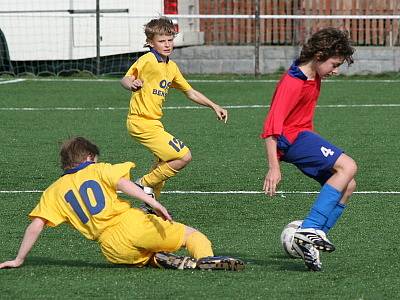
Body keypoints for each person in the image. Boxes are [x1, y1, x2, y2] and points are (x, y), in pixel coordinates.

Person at [0, 137, 244, 271]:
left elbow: (36, 225)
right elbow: (124, 184)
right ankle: (206, 260)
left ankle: (161, 259)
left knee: (148, 256)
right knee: (193, 236)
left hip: (110, 248)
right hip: (130, 224)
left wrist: (19, 258)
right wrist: (152, 202)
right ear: (88, 158)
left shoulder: (53, 191)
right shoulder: (99, 169)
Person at [261, 27, 357, 271]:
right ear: (320, 55)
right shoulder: (292, 83)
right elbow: (271, 128)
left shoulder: (311, 72)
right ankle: (311, 227)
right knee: (348, 165)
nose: (335, 71)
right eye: (334, 64)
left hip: (302, 135)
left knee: (348, 184)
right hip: (292, 139)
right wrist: (273, 168)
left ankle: (310, 242)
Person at [120, 17, 228, 204]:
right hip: (140, 122)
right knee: (184, 156)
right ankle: (141, 184)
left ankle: (151, 207)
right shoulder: (147, 60)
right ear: (150, 43)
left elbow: (190, 92)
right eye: (162, 41)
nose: (167, 44)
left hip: (154, 123)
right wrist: (132, 84)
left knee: (163, 163)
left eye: (170, 40)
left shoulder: (171, 67)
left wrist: (214, 105)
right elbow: (126, 78)